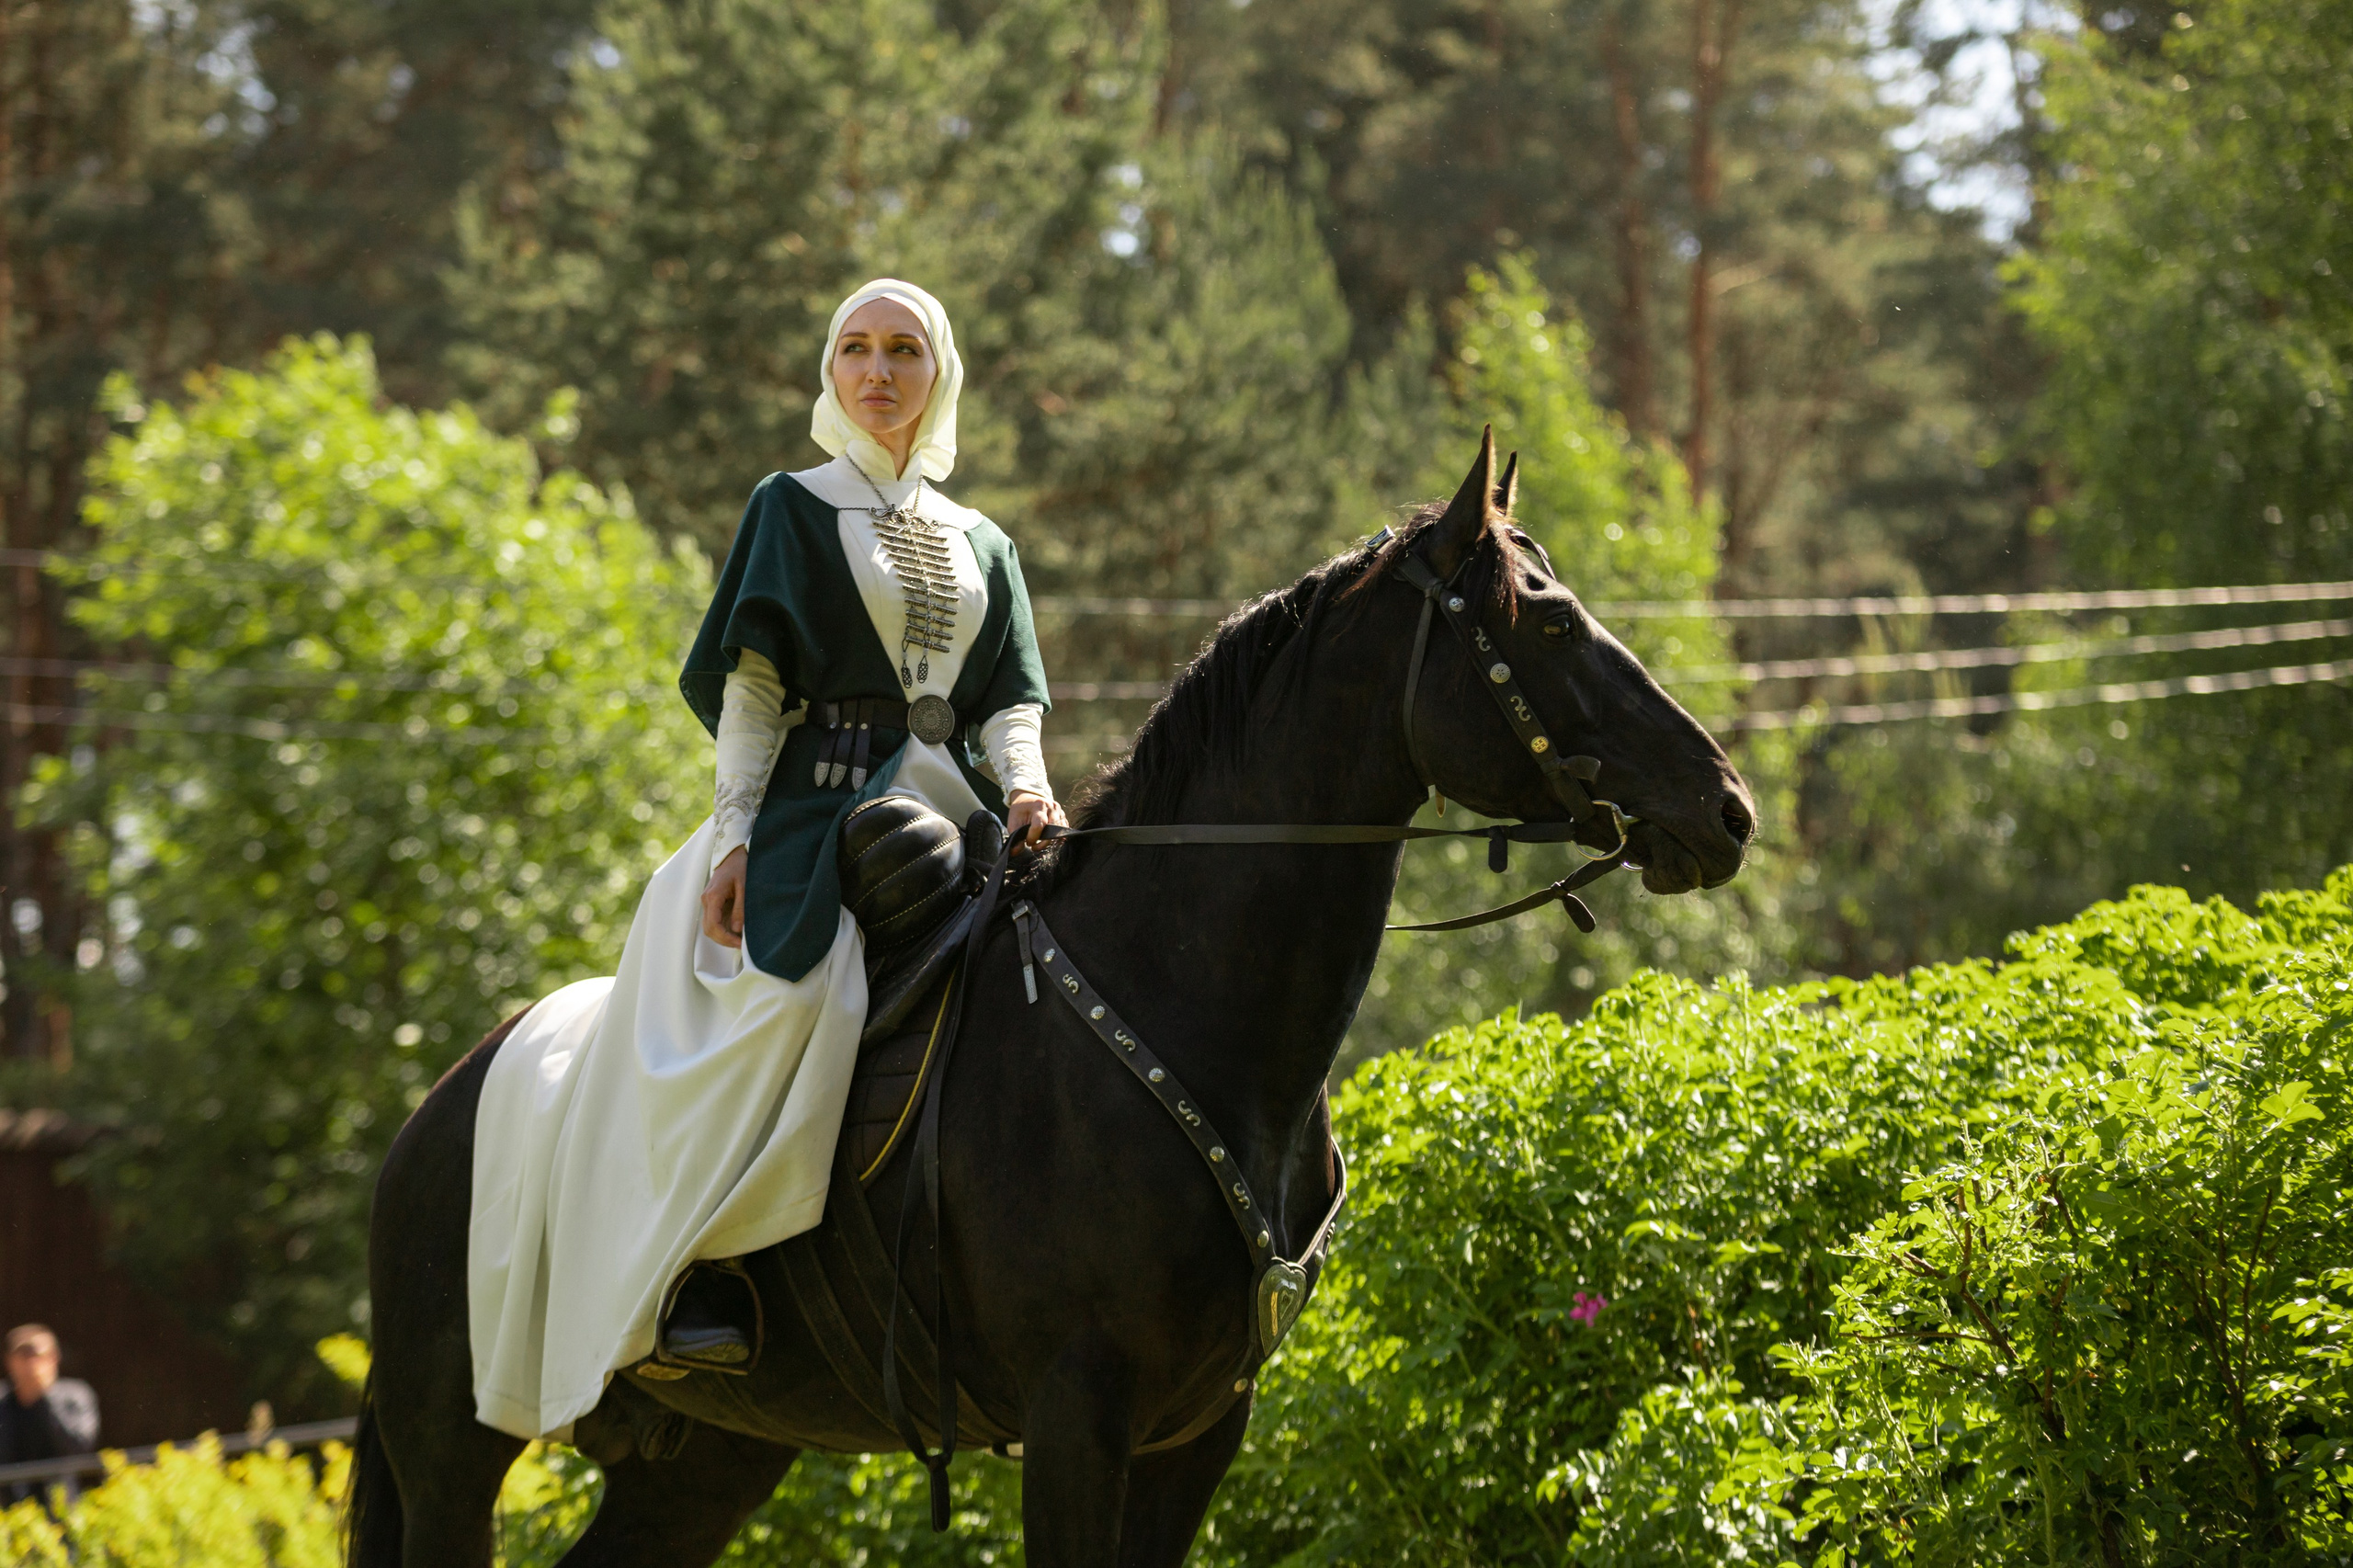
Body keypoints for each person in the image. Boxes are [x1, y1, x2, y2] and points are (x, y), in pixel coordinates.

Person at [467, 278, 1066, 1441]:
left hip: (973, 820)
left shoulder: (984, 539)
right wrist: (735, 833)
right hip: (815, 815)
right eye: (856, 350)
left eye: (903, 351)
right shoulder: (789, 506)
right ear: (830, 372)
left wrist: (1033, 785)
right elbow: (751, 689)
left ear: (938, 373)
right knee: (780, 1005)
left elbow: (1012, 698)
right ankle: (701, 1277)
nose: (878, 371)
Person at [1, 1324, 99, 1508]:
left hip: (61, 1509)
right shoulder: (2, 1402)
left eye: (37, 1356)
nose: (31, 1364)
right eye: (24, 1356)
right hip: (8, 1513)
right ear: (9, 1361)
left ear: (54, 1358)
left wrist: (46, 1398)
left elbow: (78, 1448)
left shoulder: (75, 1396)